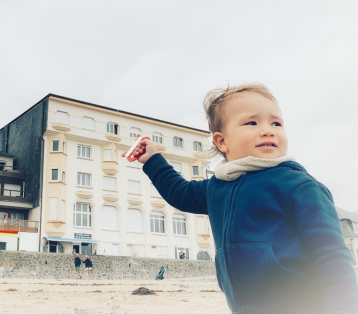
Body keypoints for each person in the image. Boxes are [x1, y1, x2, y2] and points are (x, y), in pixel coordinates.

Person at [134, 83, 358, 314]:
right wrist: (153, 160)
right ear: (222, 141)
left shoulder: (299, 186)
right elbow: (180, 193)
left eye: (276, 123)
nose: (268, 130)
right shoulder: (217, 187)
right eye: (252, 122)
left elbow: (333, 255)